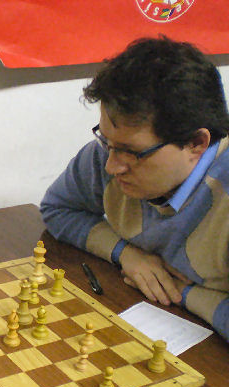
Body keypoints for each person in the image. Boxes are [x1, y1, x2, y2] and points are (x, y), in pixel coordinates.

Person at [40, 36, 229, 342]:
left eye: (132, 152)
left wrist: (184, 293)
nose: (111, 166)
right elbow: (57, 208)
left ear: (196, 143)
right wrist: (125, 253)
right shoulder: (108, 154)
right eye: (107, 141)